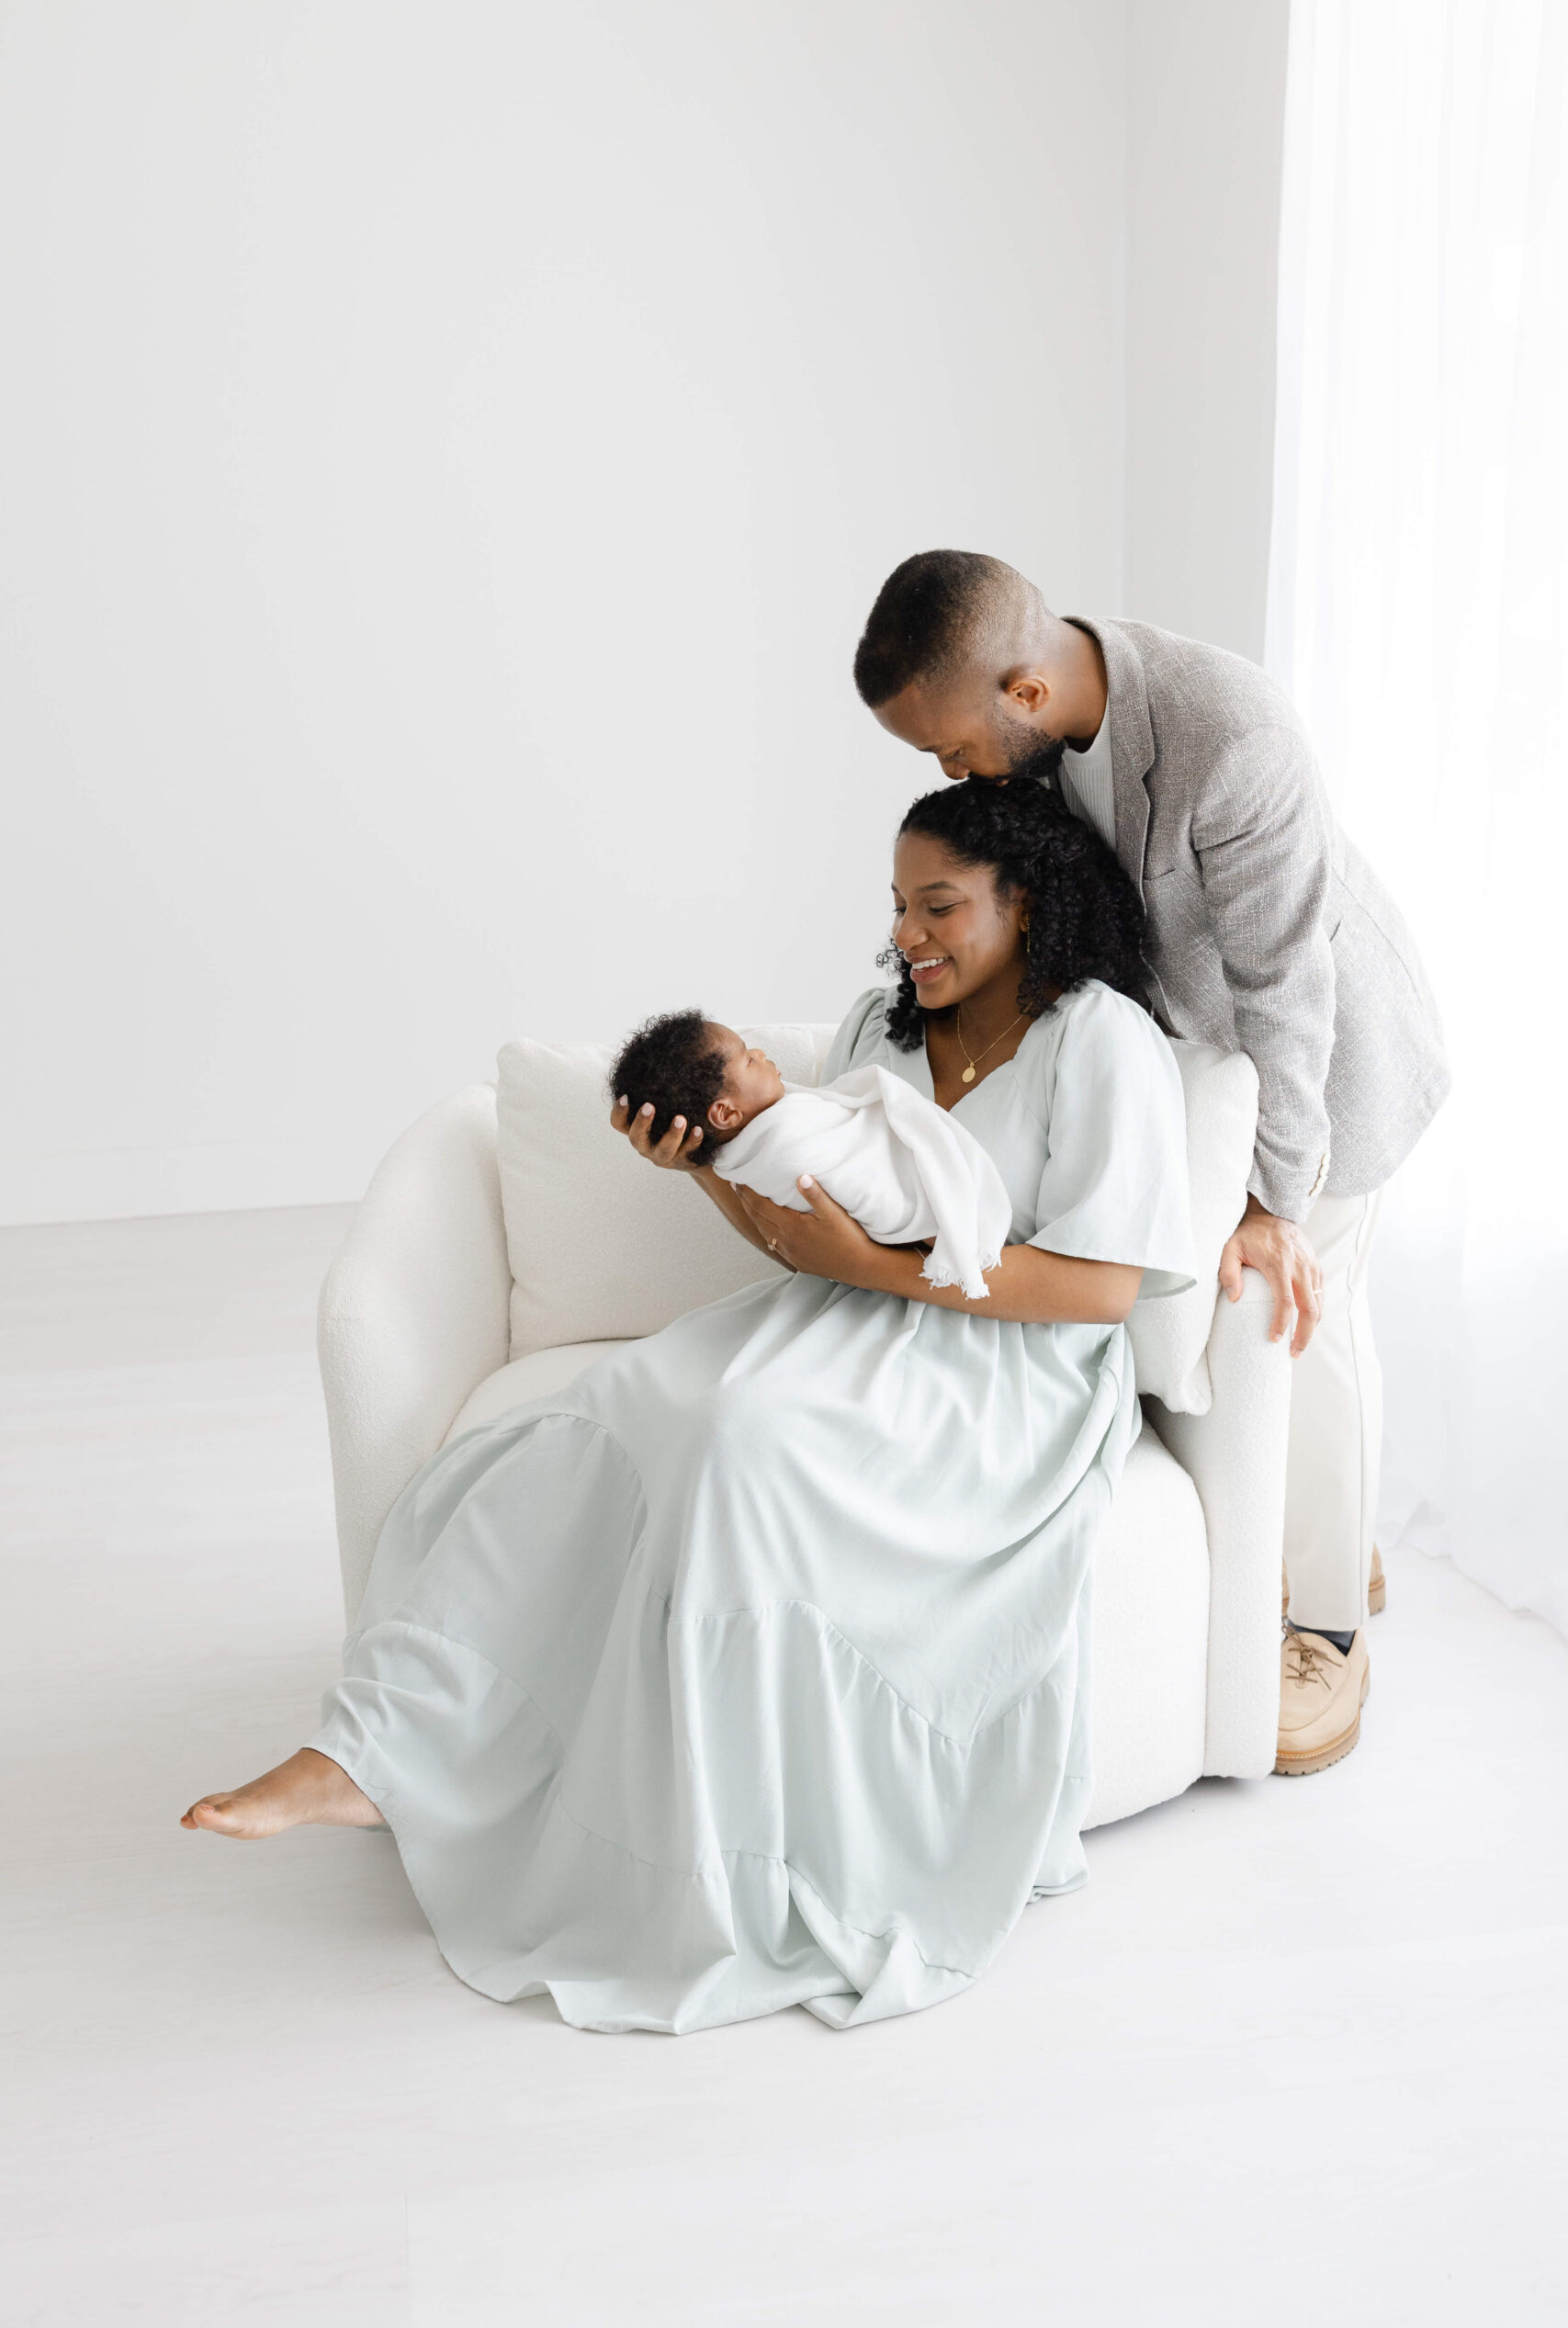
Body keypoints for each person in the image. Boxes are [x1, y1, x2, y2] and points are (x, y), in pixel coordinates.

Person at [181, 777, 1194, 2034]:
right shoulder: (879, 1026)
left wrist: (873, 1272)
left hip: (1009, 1369)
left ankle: (712, 1849)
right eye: (897, 905)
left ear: (1024, 902)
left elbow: (1101, 1289)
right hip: (846, 1318)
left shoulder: (1099, 1039)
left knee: (735, 1439)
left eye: (938, 907)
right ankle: (381, 1745)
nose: (908, 936)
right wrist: (708, 1170)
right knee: (607, 1413)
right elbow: (803, 1237)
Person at [854, 550, 1450, 1776]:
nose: (951, 774)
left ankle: (1329, 1625)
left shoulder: (1231, 739)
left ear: (1023, 691)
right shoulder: (1041, 720)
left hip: (1329, 1058)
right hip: (1212, 1054)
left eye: (950, 747)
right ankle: (1333, 1531)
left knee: (1300, 1310)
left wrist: (1272, 1201)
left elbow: (1289, 994)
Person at [608, 1007, 1012, 1299]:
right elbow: (811, 1244)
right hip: (902, 1271)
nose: (761, 1055)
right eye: (749, 1059)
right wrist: (698, 1167)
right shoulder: (781, 1151)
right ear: (726, 1114)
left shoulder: (771, 1133)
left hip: (940, 1284)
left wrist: (865, 1262)